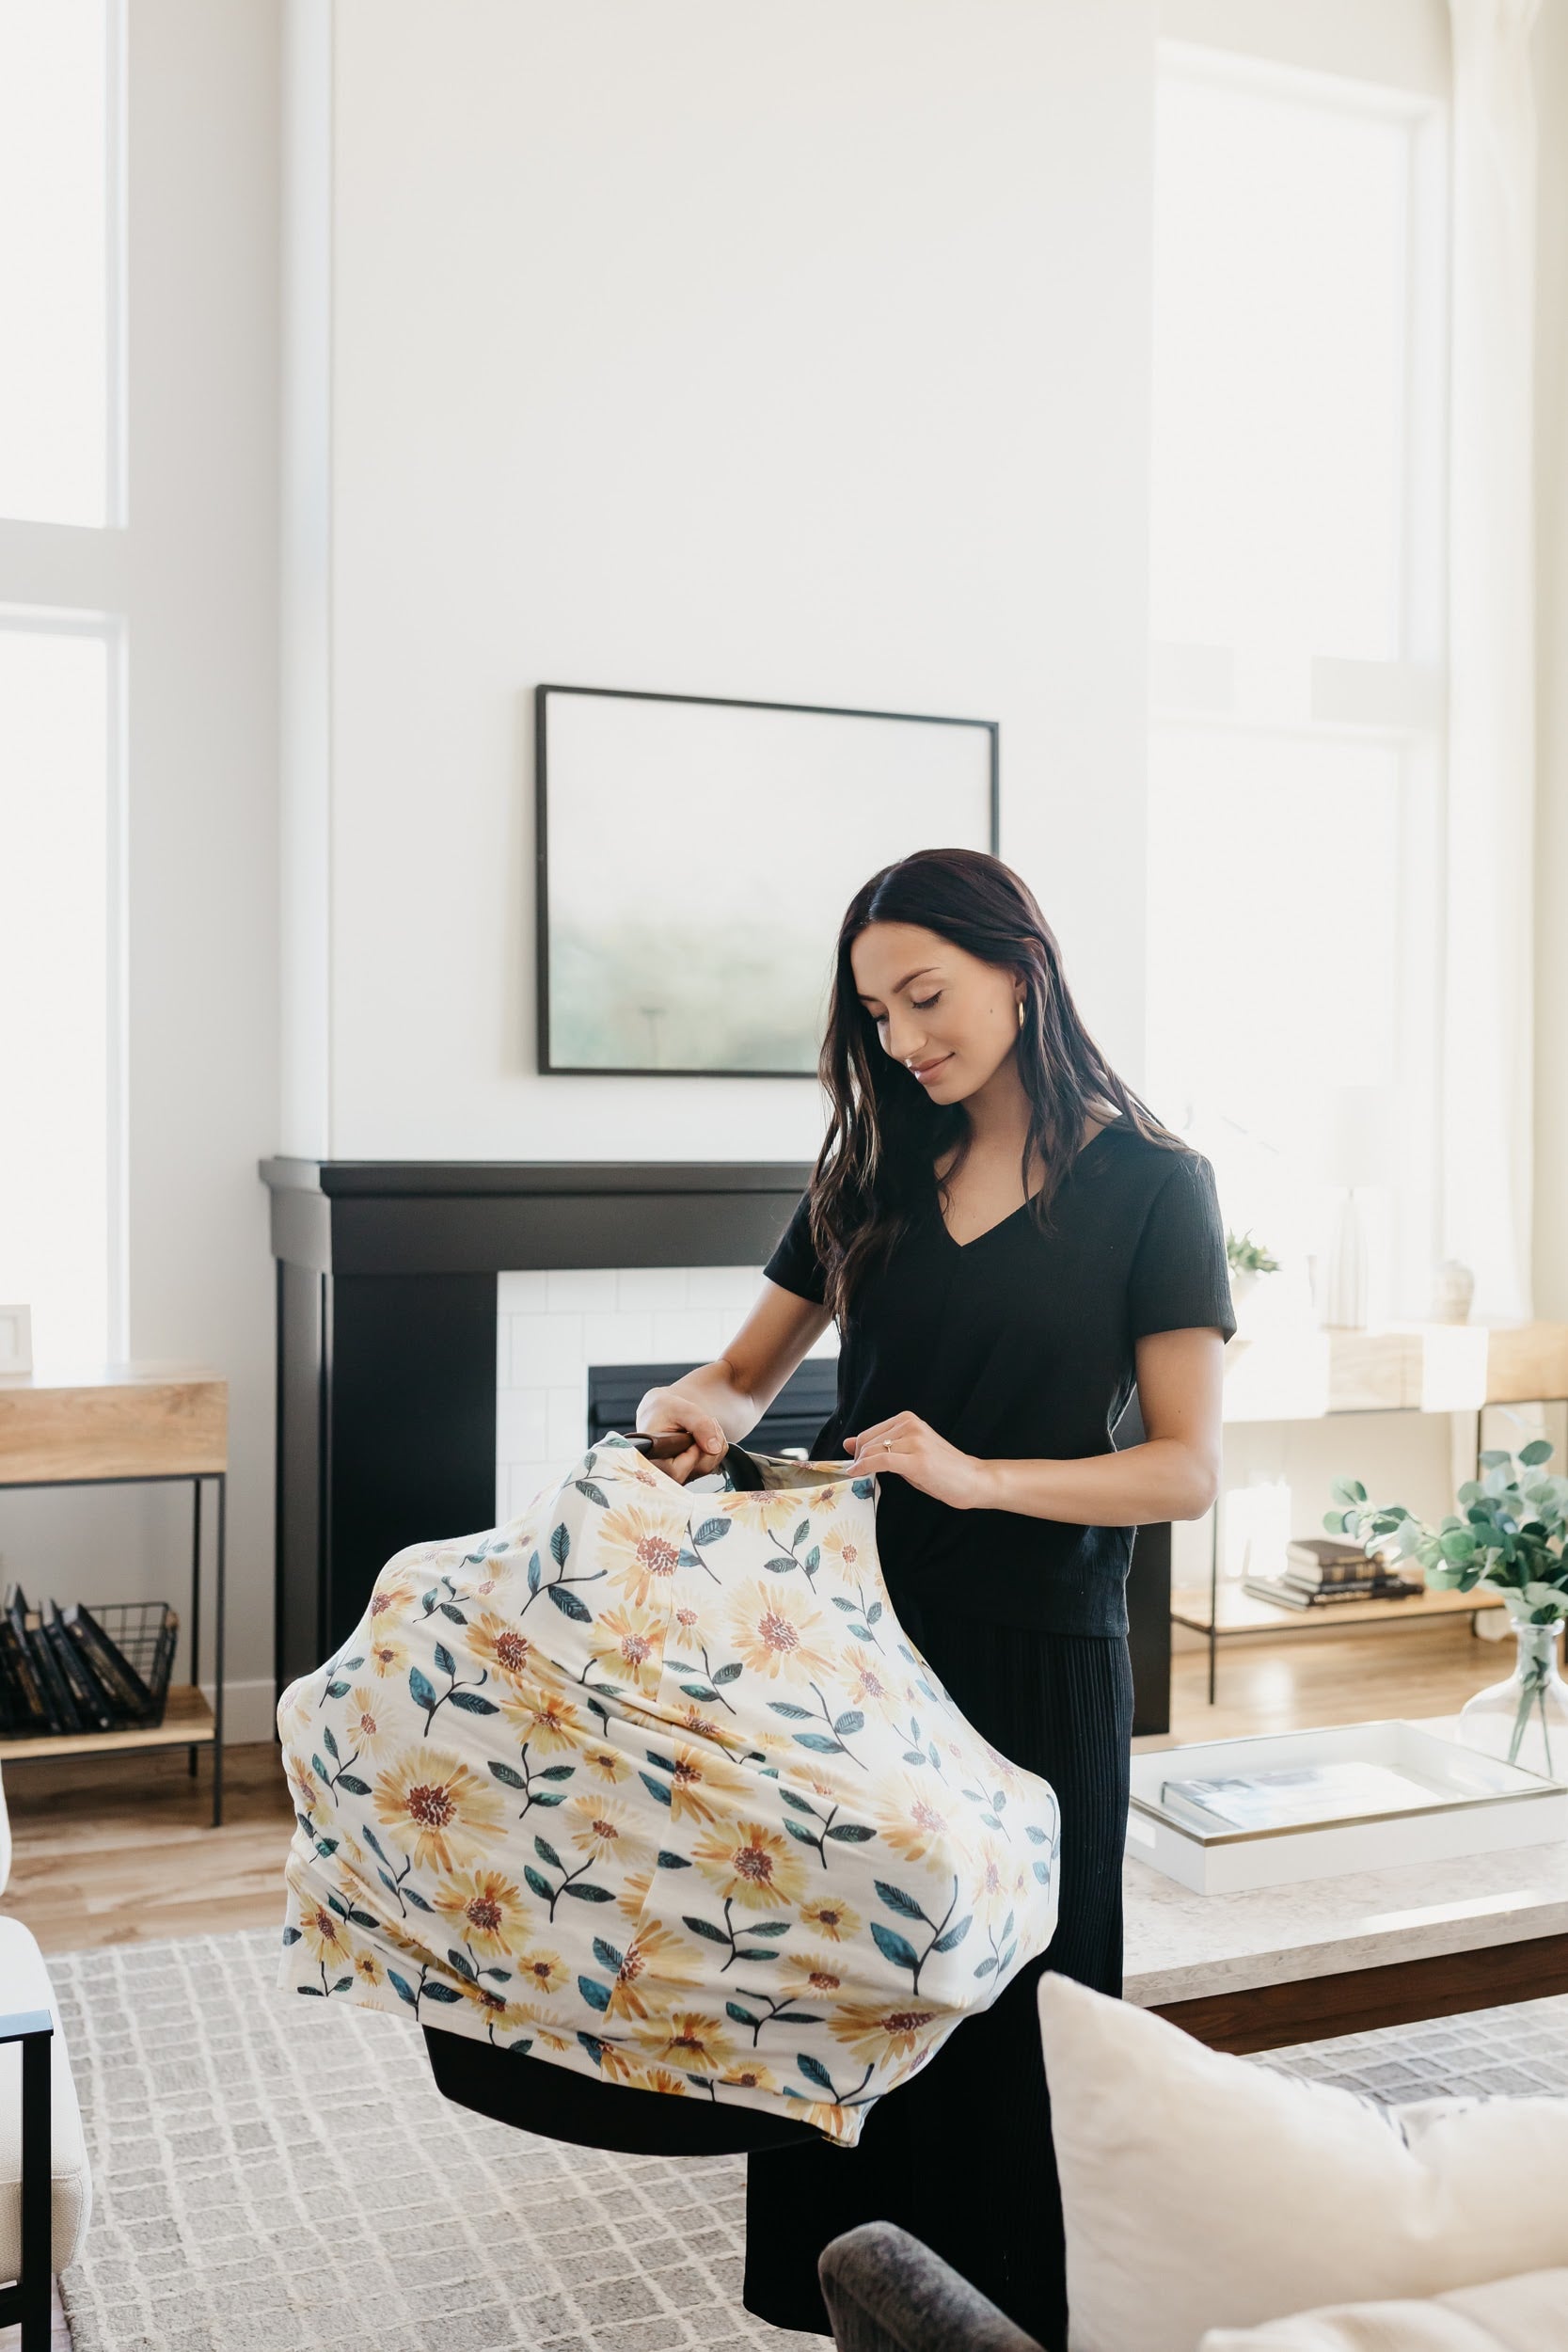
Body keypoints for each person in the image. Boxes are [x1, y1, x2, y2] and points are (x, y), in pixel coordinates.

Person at [636, 846, 1233, 2350]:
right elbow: (744, 1372)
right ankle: (863, 2308)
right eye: (876, 1013)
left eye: (925, 996)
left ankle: (1012, 2318)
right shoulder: (871, 1169)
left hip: (1040, 1656)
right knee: (850, 1978)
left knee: (1022, 2009)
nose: (901, 1038)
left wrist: (982, 1478)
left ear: (1019, 972)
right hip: (851, 1647)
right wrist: (692, 1405)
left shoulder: (1155, 1187)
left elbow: (1183, 1469)